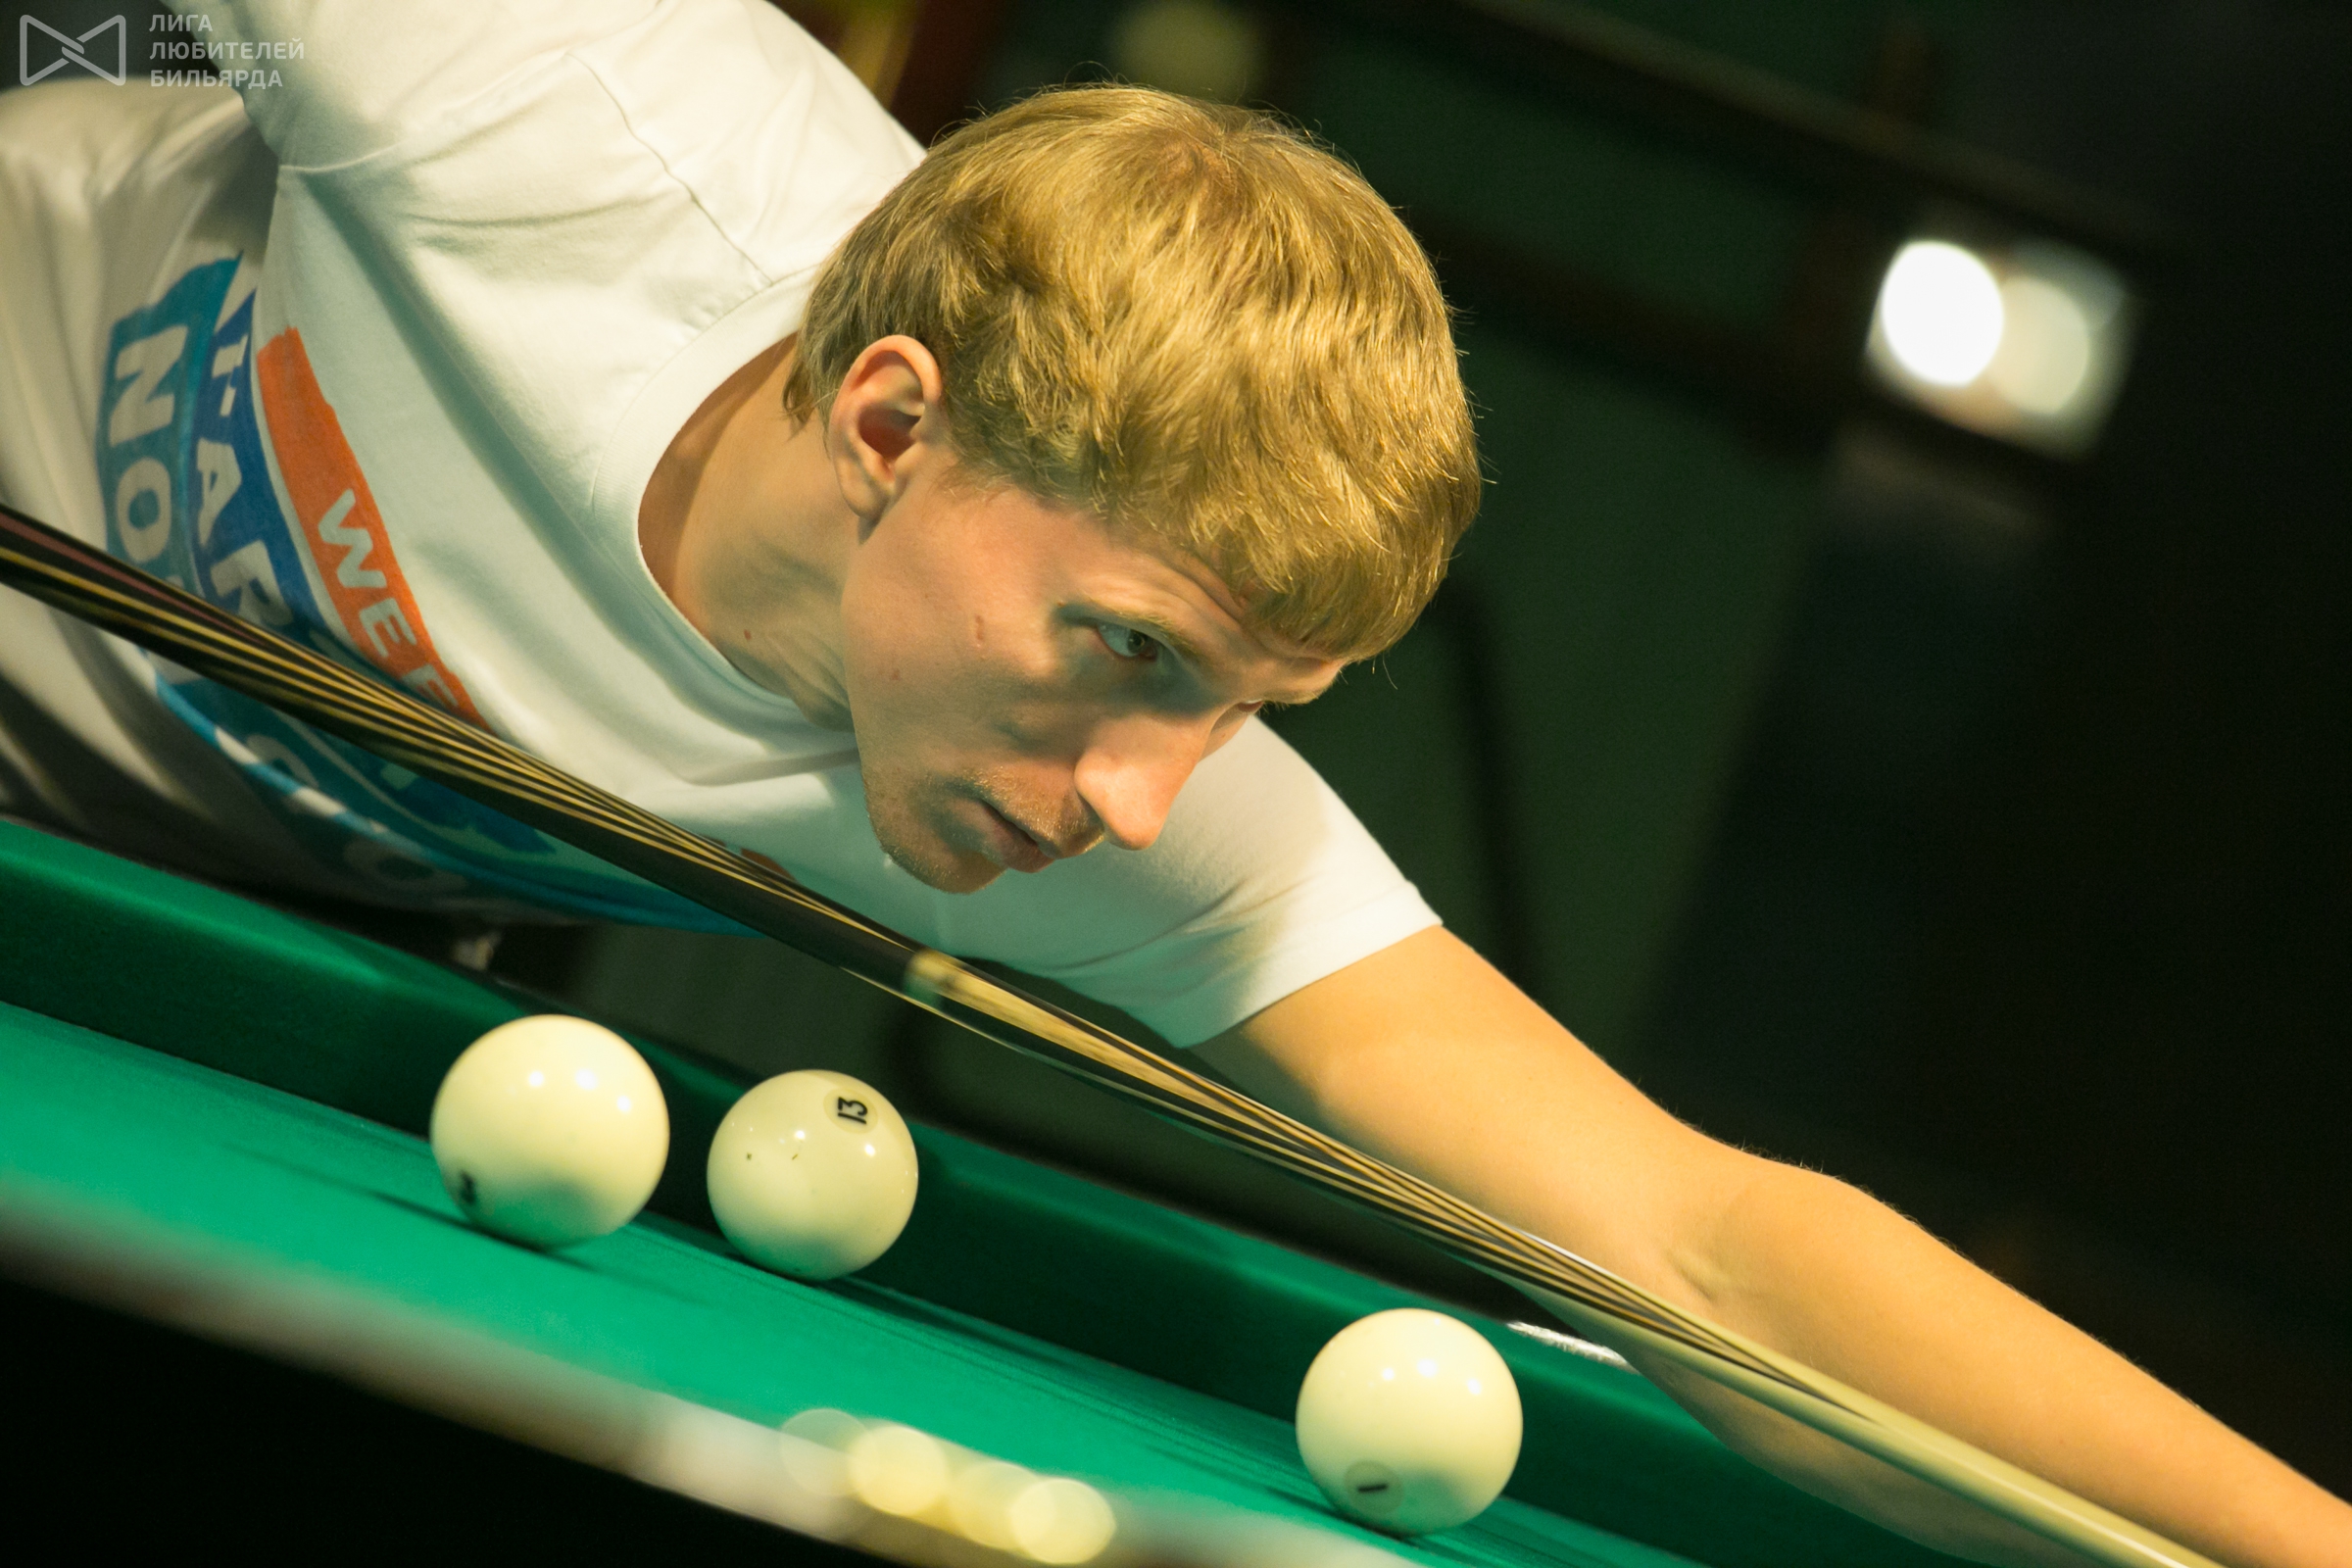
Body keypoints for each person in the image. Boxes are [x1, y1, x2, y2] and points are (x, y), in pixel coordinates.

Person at [0, 5, 2342, 1564]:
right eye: (1126, 648)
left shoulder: (1114, 804)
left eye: (1244, 701)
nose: (1143, 799)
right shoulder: (537, 108)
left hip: (263, 900)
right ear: (892, 422)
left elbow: (1704, 1245)